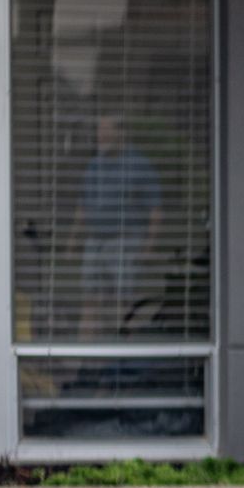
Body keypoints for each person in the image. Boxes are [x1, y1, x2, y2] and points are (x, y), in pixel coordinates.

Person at [72, 114, 161, 339]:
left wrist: (149, 247)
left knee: (122, 300)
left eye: (106, 130)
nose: (101, 135)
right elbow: (82, 205)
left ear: (121, 132)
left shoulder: (139, 165)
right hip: (96, 240)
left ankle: (121, 356)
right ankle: (86, 358)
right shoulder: (94, 165)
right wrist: (72, 241)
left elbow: (155, 210)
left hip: (125, 240)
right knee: (90, 298)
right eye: (99, 130)